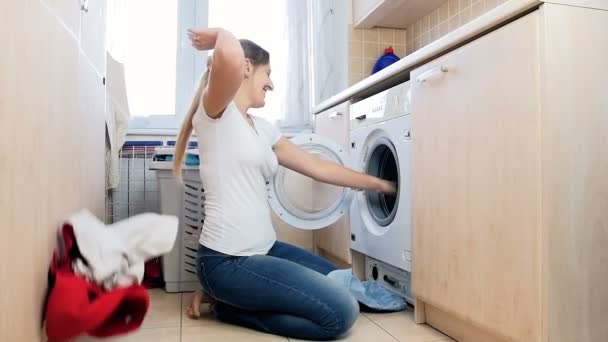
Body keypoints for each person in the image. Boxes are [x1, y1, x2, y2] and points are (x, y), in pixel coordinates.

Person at [172, 27, 397, 340]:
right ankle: (229, 307)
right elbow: (230, 56)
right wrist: (220, 35)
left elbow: (317, 167)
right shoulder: (215, 113)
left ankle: (229, 298)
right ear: (246, 69)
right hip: (227, 262)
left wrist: (376, 182)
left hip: (264, 249)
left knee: (338, 277)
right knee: (341, 312)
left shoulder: (262, 129)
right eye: (268, 73)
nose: (272, 84)